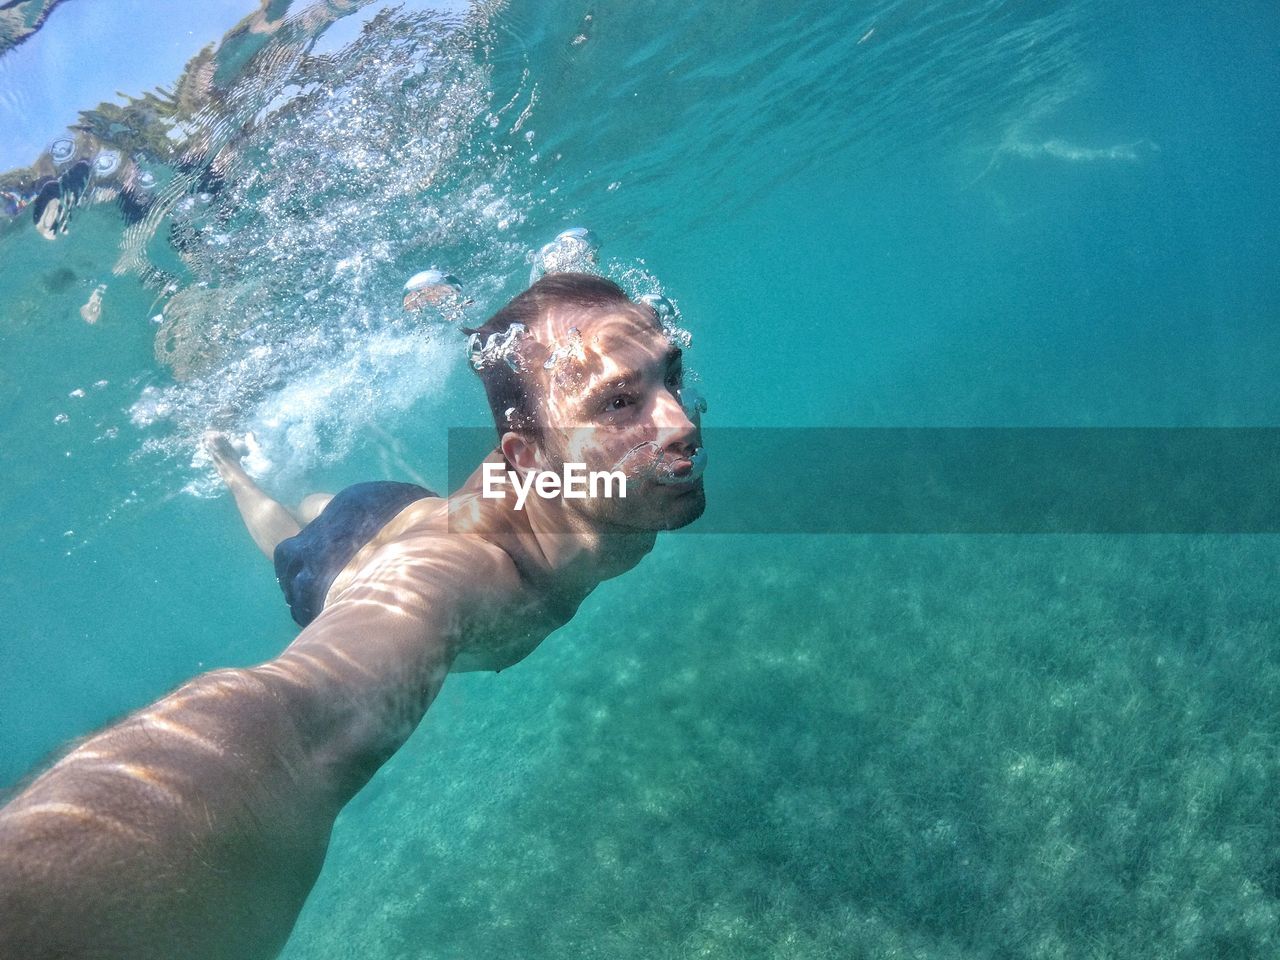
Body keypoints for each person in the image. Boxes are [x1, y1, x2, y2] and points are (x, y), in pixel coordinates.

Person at [0, 272, 705, 959]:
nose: (680, 423)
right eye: (618, 404)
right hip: (344, 564)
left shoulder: (595, 476)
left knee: (334, 504)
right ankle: (231, 470)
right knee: (285, 531)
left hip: (399, 504)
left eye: (668, 377)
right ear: (526, 459)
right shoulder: (463, 577)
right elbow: (298, 725)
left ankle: (302, 487)